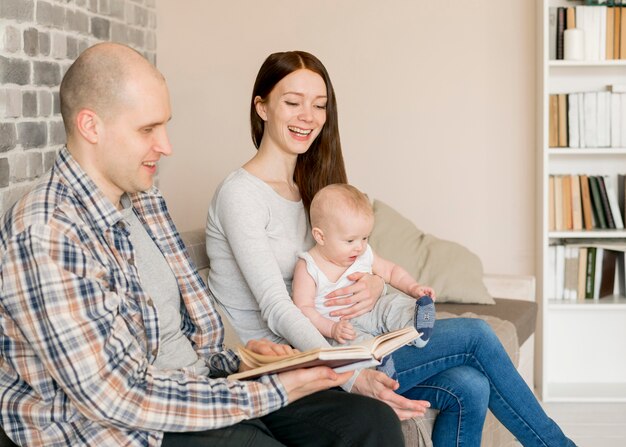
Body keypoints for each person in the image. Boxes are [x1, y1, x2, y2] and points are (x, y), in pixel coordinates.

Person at [0, 43, 405, 447]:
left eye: (165, 126)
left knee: (370, 422)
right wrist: (273, 390)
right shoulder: (46, 231)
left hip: (196, 383)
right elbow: (118, 396)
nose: (166, 145)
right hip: (128, 426)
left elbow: (181, 338)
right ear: (91, 126)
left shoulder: (141, 203)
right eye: (147, 130)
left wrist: (244, 360)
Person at [205, 50, 577, 446]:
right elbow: (277, 308)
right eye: (292, 102)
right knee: (476, 335)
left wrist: (376, 286)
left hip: (346, 342)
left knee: (467, 386)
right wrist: (348, 373)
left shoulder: (310, 190)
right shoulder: (241, 195)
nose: (307, 116)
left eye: (319, 105)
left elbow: (356, 262)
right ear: (261, 107)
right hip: (293, 361)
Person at [292, 183, 435, 347]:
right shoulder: (308, 267)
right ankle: (378, 362)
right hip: (340, 327)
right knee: (353, 345)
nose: (360, 246)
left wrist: (414, 288)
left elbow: (391, 271)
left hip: (372, 311)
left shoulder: (363, 253)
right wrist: (331, 329)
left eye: (365, 238)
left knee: (392, 305)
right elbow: (303, 309)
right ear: (320, 237)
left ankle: (416, 328)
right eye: (350, 240)